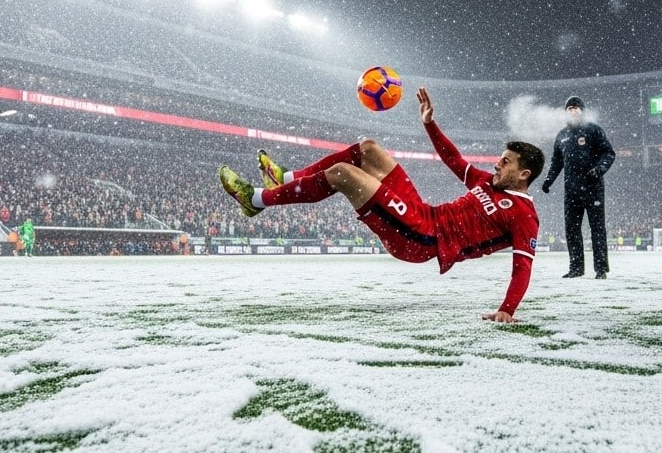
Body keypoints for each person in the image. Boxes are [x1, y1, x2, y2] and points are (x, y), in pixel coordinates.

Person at [219, 87, 544, 322]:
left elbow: (522, 267)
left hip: (424, 238)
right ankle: (286, 177)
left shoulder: (523, 215)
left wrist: (507, 309)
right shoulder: (487, 182)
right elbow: (454, 160)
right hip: (423, 212)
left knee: (343, 175)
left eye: (506, 162)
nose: (498, 165)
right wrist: (429, 124)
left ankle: (256, 200)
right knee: (369, 148)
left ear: (524, 174)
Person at [539, 96, 616, 279]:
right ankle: (576, 268)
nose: (573, 111)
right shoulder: (562, 135)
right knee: (572, 230)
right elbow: (556, 162)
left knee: (597, 229)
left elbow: (609, 153)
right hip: (571, 190)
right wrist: (549, 180)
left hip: (593, 188)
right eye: (570, 108)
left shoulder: (593, 130)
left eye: (576, 108)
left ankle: (601, 269)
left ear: (582, 110)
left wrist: (599, 169)